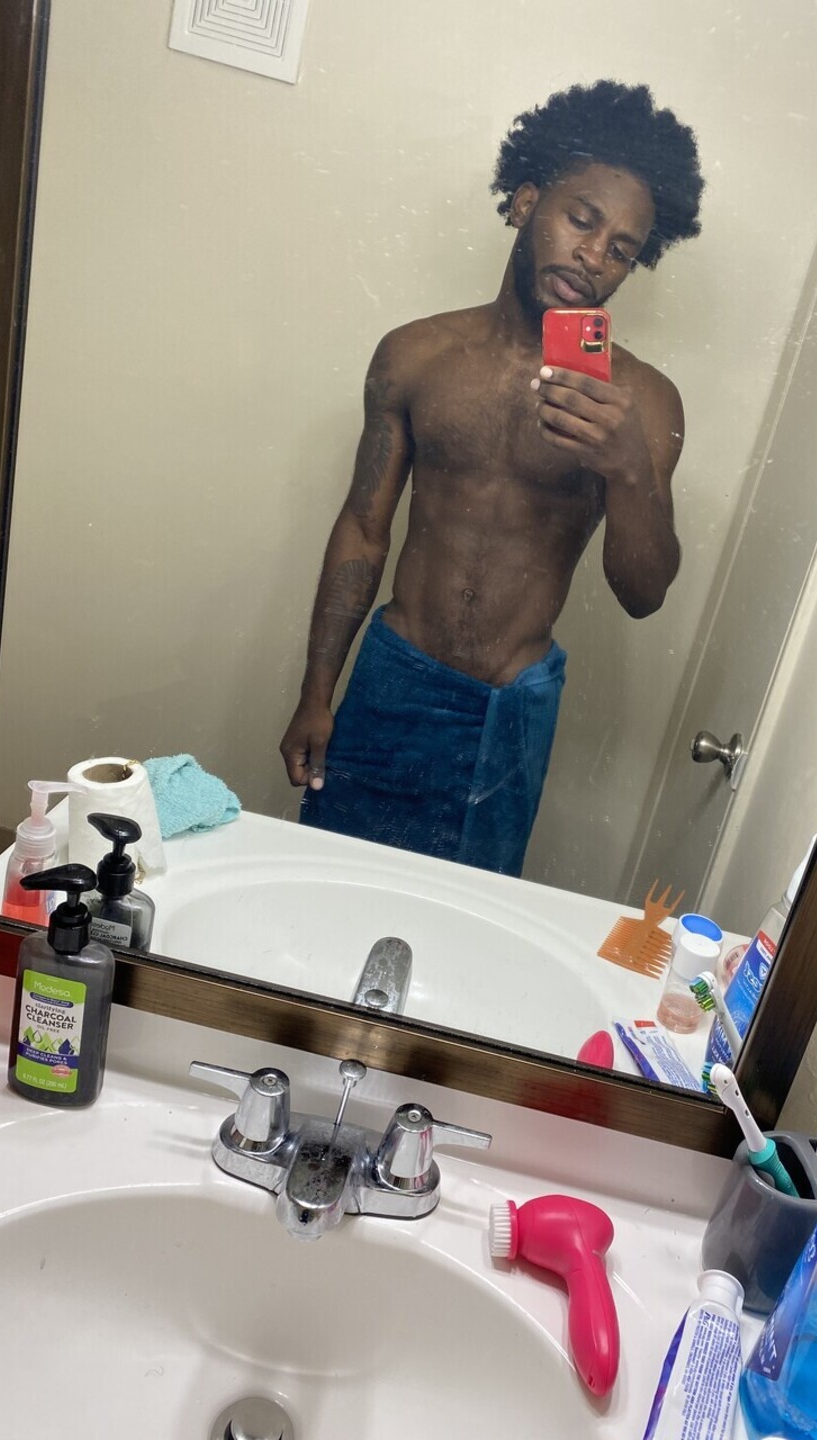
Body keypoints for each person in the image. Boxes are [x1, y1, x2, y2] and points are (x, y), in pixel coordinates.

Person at [280, 79, 704, 876]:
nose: (594, 256)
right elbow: (364, 530)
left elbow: (643, 594)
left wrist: (627, 469)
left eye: (622, 249)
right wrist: (316, 692)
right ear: (525, 202)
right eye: (582, 219)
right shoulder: (415, 355)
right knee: (330, 890)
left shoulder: (642, 401)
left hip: (511, 705)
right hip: (392, 677)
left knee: (465, 922)